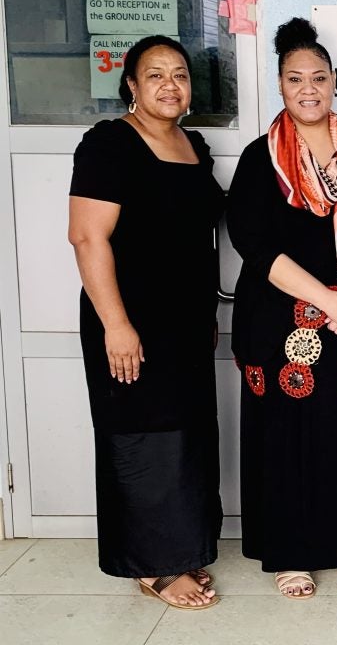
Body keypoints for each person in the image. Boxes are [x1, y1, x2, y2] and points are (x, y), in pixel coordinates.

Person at [227, 17, 337, 598]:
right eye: (294, 78)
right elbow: (252, 243)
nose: (308, 88)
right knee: (287, 436)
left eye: (319, 78)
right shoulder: (262, 159)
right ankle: (291, 551)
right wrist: (324, 297)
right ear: (279, 85)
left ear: (334, 83)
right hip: (283, 319)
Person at [68, 35, 224, 610]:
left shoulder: (193, 145)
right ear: (131, 84)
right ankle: (152, 567)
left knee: (184, 437)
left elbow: (194, 238)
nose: (169, 85)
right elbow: (87, 236)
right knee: (141, 437)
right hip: (128, 322)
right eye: (154, 74)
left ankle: (183, 551)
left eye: (180, 75)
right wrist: (116, 324)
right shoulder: (110, 145)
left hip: (184, 325)